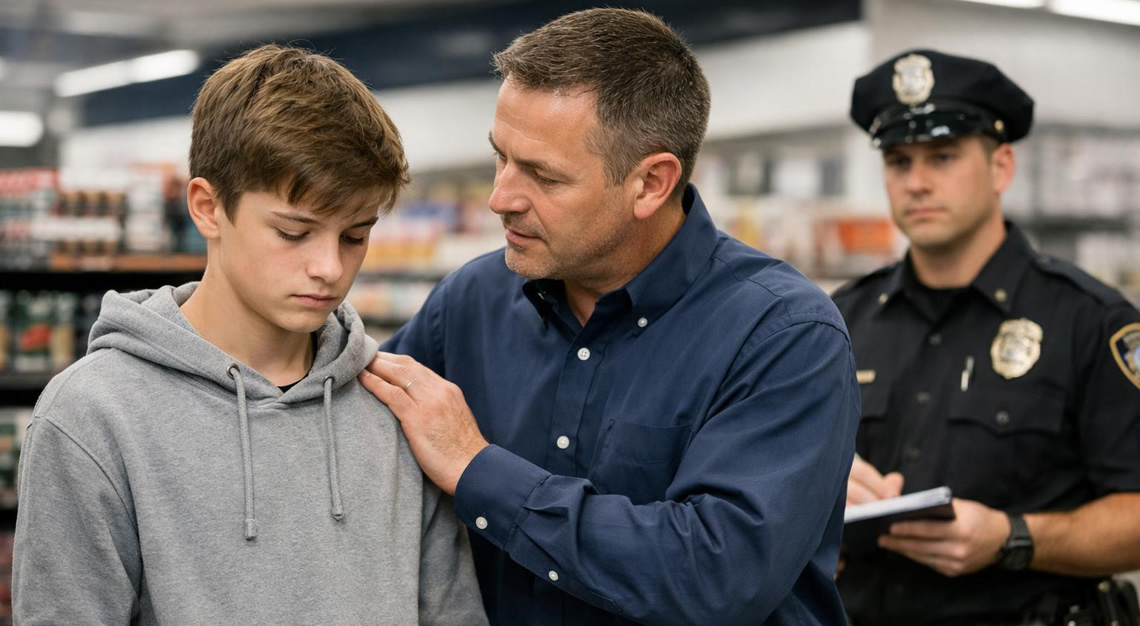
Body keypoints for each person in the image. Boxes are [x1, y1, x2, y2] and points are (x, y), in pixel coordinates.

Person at [356, 8, 860, 626]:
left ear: (650, 183)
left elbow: (716, 574)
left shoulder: (782, 335)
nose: (500, 198)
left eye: (542, 175)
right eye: (501, 158)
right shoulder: (472, 301)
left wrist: (478, 469)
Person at [12, 44, 485, 625]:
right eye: (294, 233)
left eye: (355, 236)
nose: (330, 269)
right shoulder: (91, 416)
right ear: (208, 208)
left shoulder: (399, 410)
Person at [834, 49, 1140, 626]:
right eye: (898, 161)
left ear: (1001, 167)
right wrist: (819, 490)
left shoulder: (1089, 320)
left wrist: (1013, 536)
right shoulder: (838, 322)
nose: (917, 182)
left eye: (942, 156)